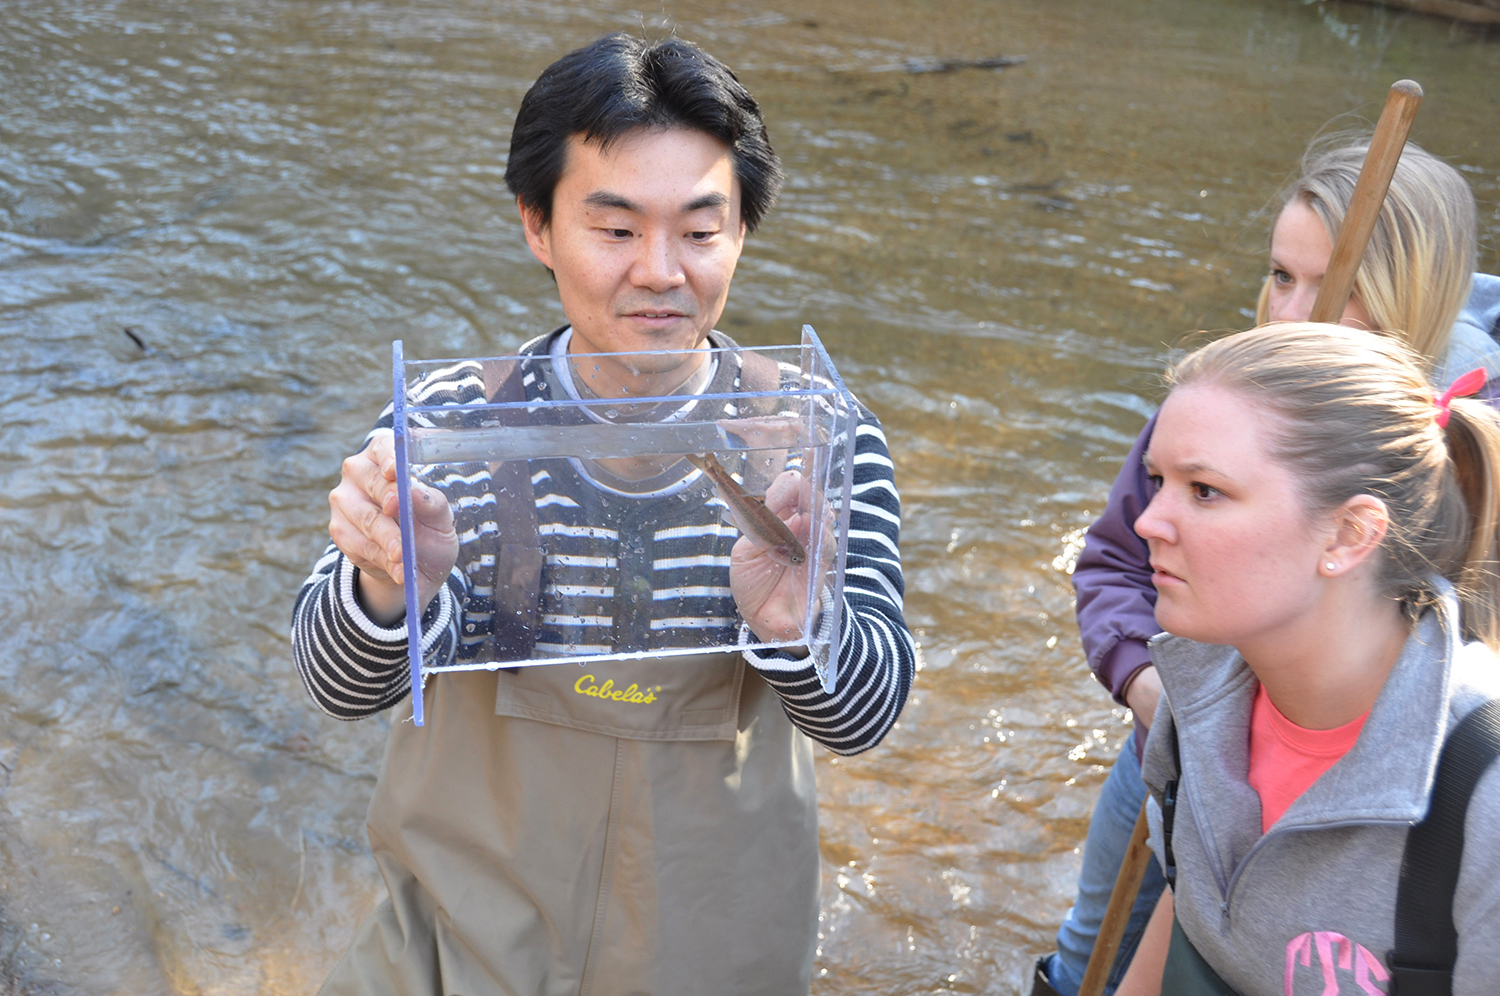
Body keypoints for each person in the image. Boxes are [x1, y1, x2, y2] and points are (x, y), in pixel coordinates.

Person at [290, 34, 915, 996]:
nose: (662, 271)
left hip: (714, 953)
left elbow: (865, 719)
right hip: (458, 945)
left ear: (742, 232)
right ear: (537, 227)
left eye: (700, 231)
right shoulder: (445, 424)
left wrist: (797, 627)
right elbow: (338, 687)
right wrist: (386, 585)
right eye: (616, 229)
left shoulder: (814, 437)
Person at [1034, 136, 1500, 996]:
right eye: (1281, 276)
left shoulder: (1455, 445)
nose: (1293, 313)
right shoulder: (1222, 407)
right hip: (1191, 741)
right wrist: (1154, 689)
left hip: (1391, 806)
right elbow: (1112, 562)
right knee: (1089, 962)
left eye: (1337, 286)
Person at [1114, 323, 1500, 995]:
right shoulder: (1193, 698)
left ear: (1350, 534)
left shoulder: (1482, 796)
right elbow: (1189, 909)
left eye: (1204, 490)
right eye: (1157, 480)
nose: (1149, 521)